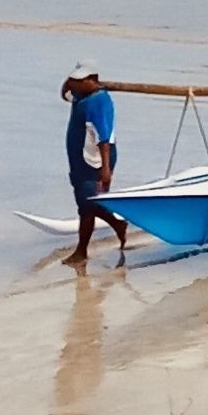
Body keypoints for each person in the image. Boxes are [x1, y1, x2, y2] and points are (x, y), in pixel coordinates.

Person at [59, 64, 129, 265]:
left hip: (96, 162)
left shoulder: (97, 103)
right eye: (73, 80)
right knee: (86, 202)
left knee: (87, 205)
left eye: (79, 80)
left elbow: (104, 139)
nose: (74, 84)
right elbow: (65, 94)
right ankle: (117, 224)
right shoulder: (81, 96)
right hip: (80, 159)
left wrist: (106, 170)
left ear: (92, 80)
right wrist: (69, 81)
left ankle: (81, 251)